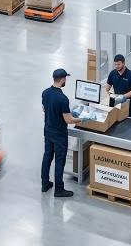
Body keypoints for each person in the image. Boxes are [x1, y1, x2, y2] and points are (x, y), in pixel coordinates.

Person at [41, 68, 87, 198]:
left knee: (47, 157)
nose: (66, 80)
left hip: (48, 130)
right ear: (62, 79)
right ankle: (59, 190)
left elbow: (44, 109)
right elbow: (68, 119)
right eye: (65, 78)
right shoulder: (63, 98)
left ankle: (45, 184)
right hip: (59, 134)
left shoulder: (45, 93)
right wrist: (83, 118)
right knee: (60, 161)